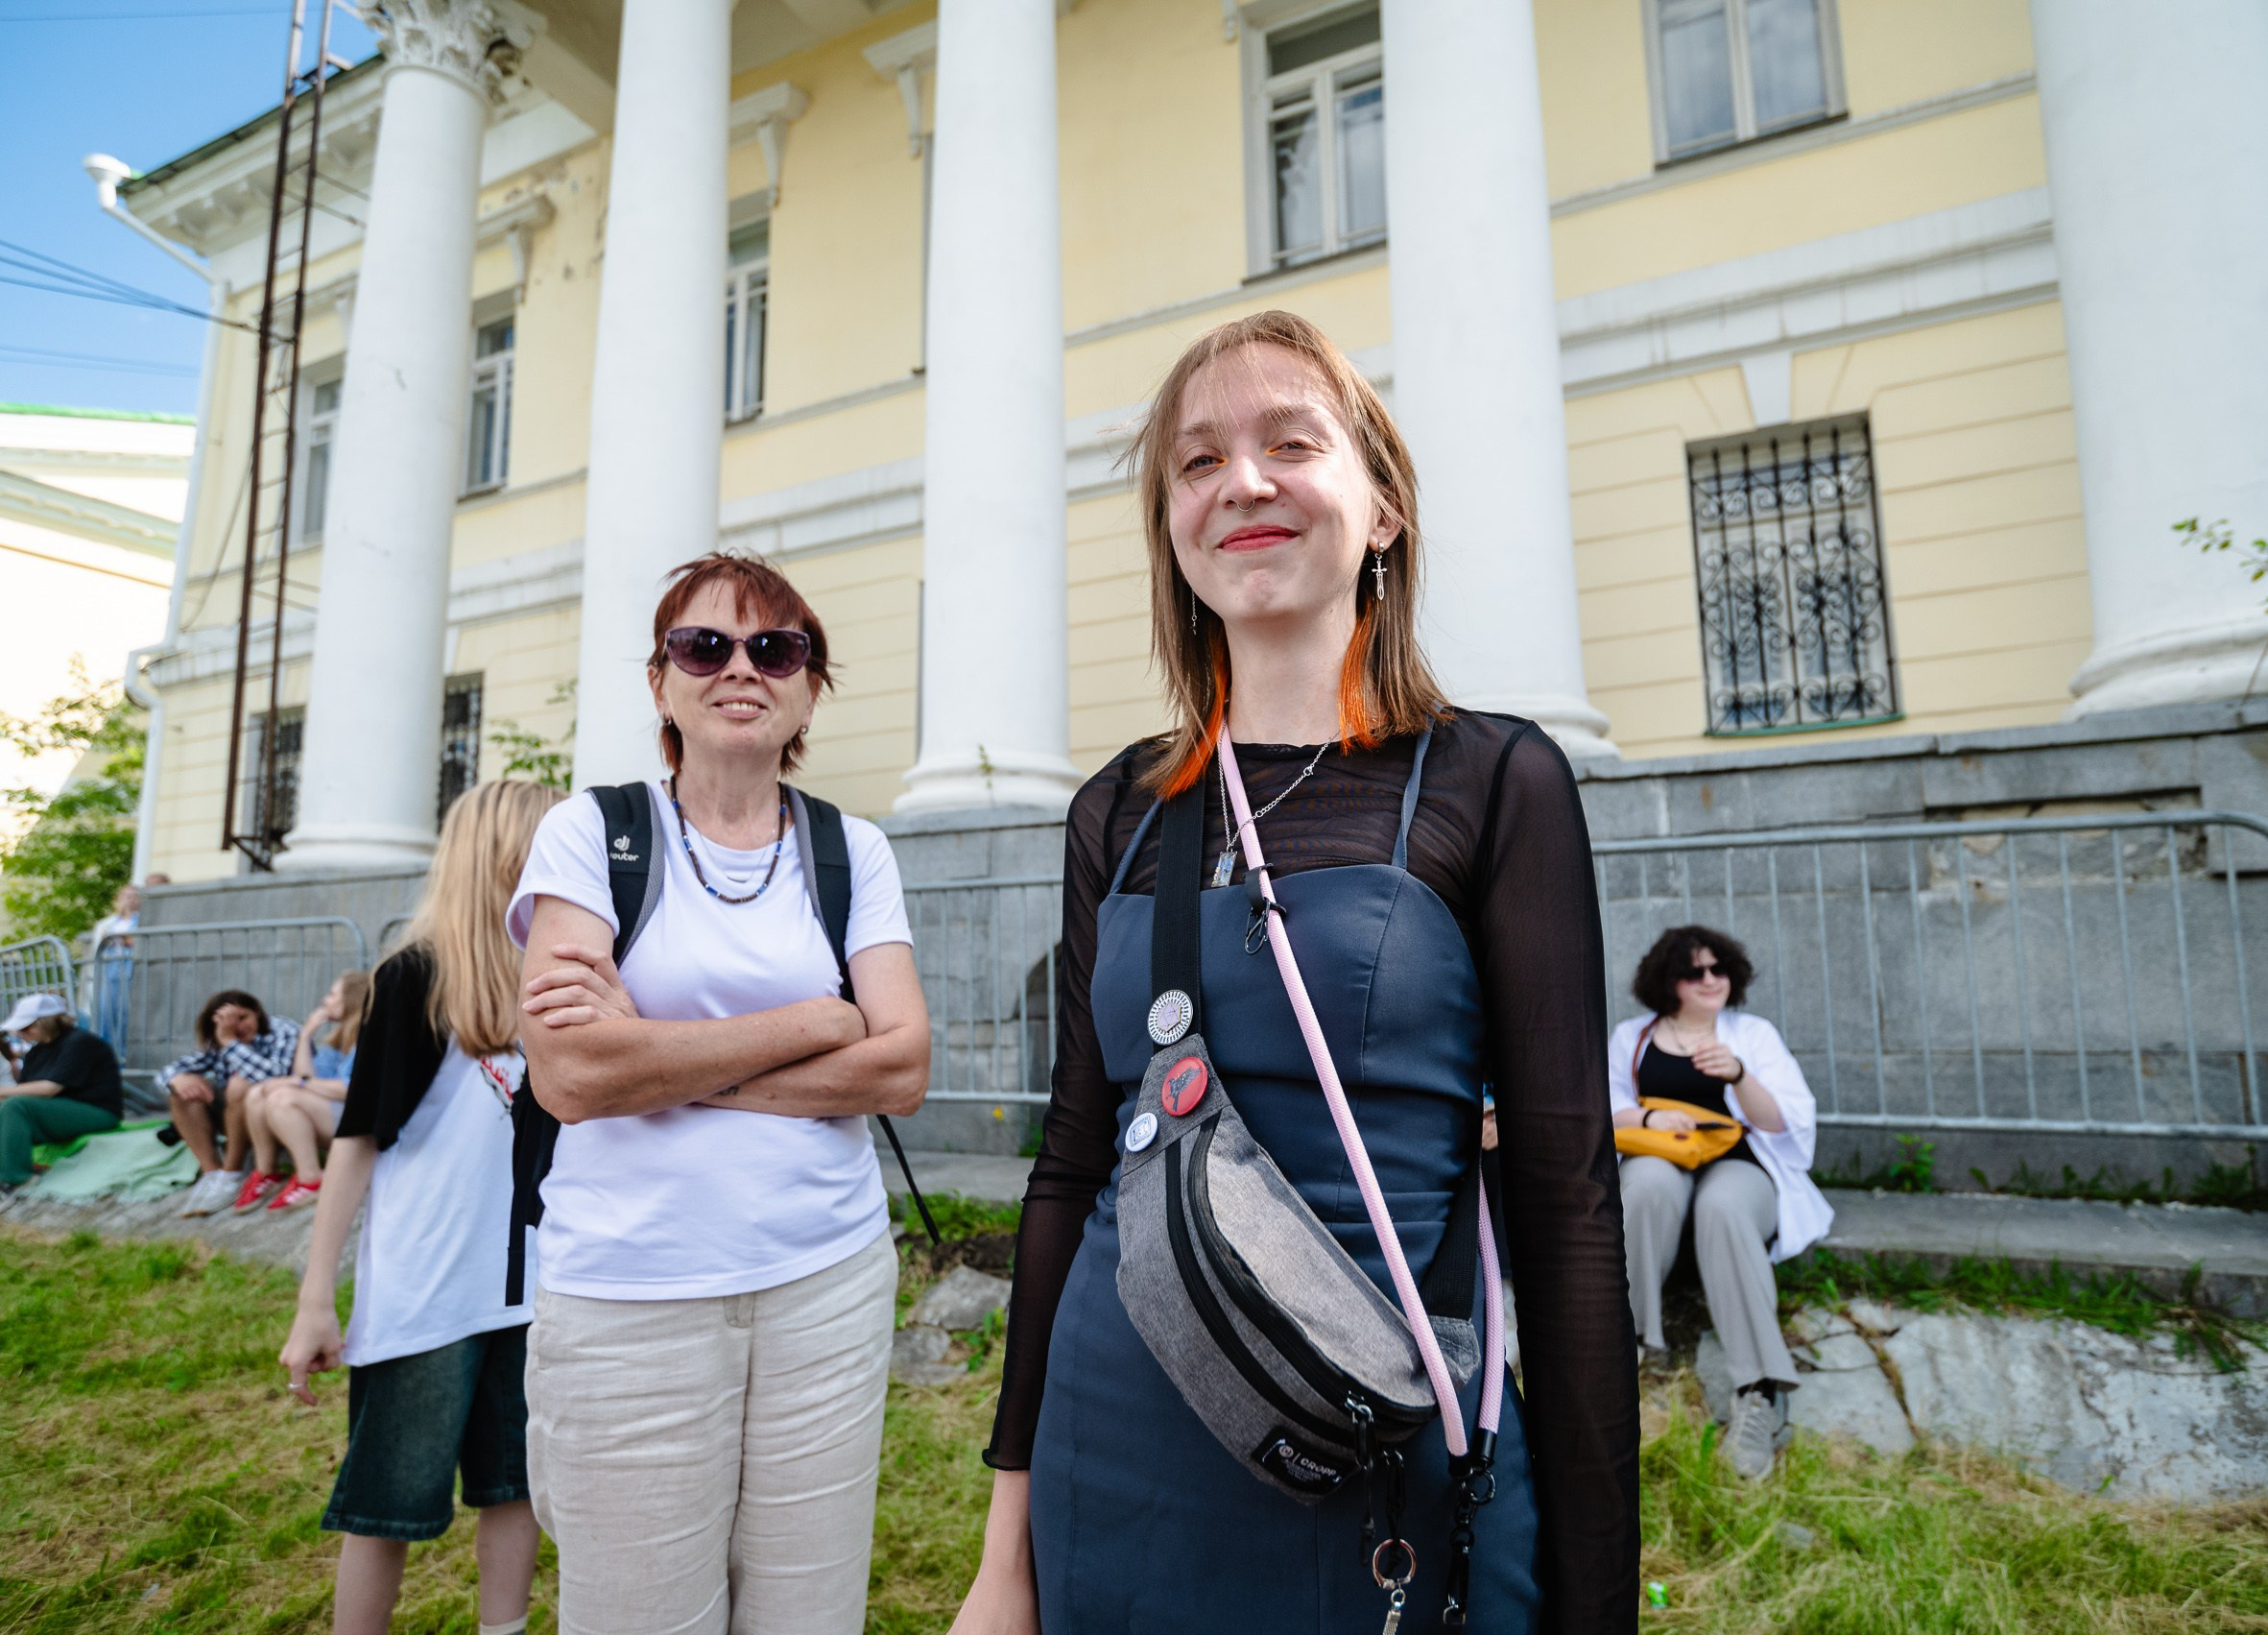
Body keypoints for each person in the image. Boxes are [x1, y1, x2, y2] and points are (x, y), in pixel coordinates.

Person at [950, 311, 1641, 1635]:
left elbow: (1569, 1206)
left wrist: (1595, 1604)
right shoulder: (1117, 808)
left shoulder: (1496, 781)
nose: (1243, 482)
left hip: (1379, 1447)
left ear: (1381, 507)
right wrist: (1005, 1549)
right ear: (1170, 527)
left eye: (1291, 441)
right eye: (1197, 461)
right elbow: (1071, 1166)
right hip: (1113, 1453)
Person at [512, 550, 929, 1634]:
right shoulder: (591, 832)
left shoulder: (852, 848)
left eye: (775, 647)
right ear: (660, 680)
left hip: (826, 1281)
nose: (739, 666)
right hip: (630, 1291)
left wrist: (662, 1060)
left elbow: (902, 1066)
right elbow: (569, 1074)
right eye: (705, 644)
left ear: (806, 686)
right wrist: (817, 1022)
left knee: (809, 1608)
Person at [278, 781, 557, 1635]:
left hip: (536, 1290)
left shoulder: (562, 975)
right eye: (550, 843)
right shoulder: (415, 977)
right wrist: (316, 1297)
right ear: (505, 856)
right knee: (387, 1500)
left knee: (518, 1485)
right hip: (427, 1294)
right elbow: (357, 1141)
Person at [1610, 925, 1832, 1480]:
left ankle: (1759, 1389)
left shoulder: (1750, 1034)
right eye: (1694, 972)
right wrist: (1652, 1117)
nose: (1710, 980)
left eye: (1718, 969)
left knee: (1725, 1209)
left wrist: (1738, 1073)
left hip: (1739, 1159)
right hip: (1662, 1153)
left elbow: (1783, 1121)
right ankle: (1625, 1345)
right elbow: (1604, 1105)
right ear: (1668, 982)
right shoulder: (1632, 1036)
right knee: (1645, 1188)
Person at [238, 969, 371, 1214]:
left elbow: (352, 1090)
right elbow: (307, 1076)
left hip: (363, 1126)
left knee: (282, 1098)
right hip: (336, 1116)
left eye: (332, 994)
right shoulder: (340, 1038)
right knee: (257, 1094)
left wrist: (297, 1084)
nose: (325, 1000)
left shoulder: (369, 1035)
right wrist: (305, 1035)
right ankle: (267, 1172)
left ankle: (311, 1177)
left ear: (351, 999)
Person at [162, 990, 303, 1215]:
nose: (237, 1027)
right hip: (235, 1115)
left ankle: (232, 1173)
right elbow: (171, 1070)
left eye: (242, 1017)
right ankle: (214, 1175)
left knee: (239, 1083)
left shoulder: (283, 1030)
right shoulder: (221, 1038)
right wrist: (177, 1078)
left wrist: (230, 1042)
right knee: (183, 1094)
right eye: (228, 1023)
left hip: (277, 1114)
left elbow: (274, 1074)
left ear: (257, 1012)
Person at [1, 994, 122, 1191]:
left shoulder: (80, 1042)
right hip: (58, 1113)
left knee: (15, 1106)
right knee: (9, 1106)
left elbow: (50, 1088)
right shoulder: (36, 1052)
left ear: (46, 1023)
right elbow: (23, 1092)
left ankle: (16, 1180)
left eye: (26, 1027)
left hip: (98, 1112)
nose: (21, 1033)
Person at [89, 883, 143, 1055]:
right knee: (106, 1013)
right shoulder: (108, 923)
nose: (131, 899)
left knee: (126, 1013)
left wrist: (125, 941)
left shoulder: (142, 921)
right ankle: (106, 1054)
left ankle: (124, 1055)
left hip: (131, 971)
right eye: (126, 895)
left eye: (135, 895)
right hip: (109, 972)